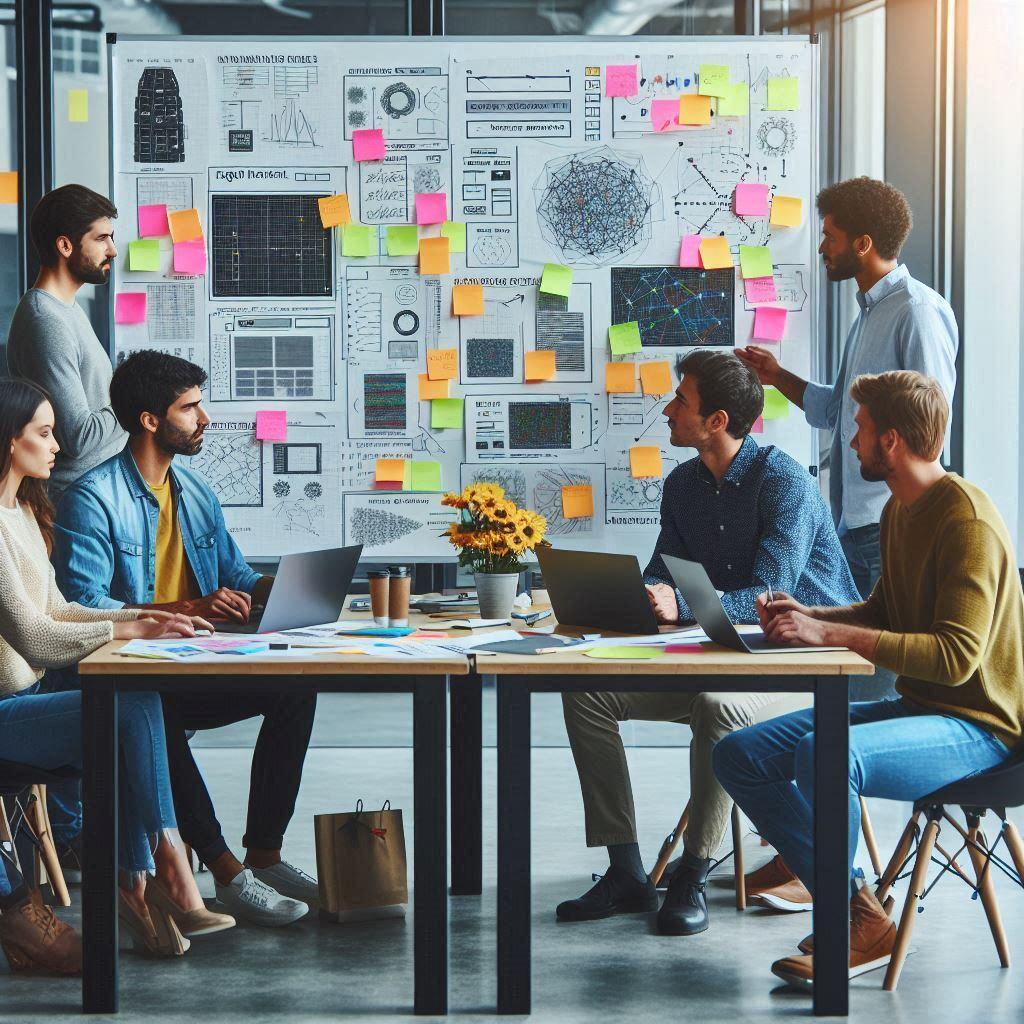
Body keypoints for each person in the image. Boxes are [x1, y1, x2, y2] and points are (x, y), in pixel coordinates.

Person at [713, 371, 1023, 989]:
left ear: (892, 441)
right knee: (739, 754)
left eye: (858, 429)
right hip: (922, 708)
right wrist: (807, 615)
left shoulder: (966, 522)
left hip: (982, 728)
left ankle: (852, 919)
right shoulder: (901, 512)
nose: (850, 442)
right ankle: (861, 908)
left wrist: (828, 636)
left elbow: (957, 656)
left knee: (824, 751)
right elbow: (883, 612)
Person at [556, 351, 859, 937]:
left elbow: (775, 594)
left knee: (716, 707)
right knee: (587, 692)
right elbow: (661, 570)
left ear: (717, 420)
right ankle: (625, 871)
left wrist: (683, 603)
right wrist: (642, 595)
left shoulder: (784, 482)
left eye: (682, 401)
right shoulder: (683, 484)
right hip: (723, 653)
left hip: (804, 664)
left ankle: (693, 872)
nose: (668, 409)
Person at [53, 350, 318, 927]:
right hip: (124, 677)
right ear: (150, 419)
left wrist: (288, 588)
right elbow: (82, 606)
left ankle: (265, 857)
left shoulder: (193, 493)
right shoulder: (93, 499)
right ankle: (227, 875)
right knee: (152, 711)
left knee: (297, 688)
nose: (206, 418)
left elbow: (236, 576)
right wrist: (184, 607)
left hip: (190, 664)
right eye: (190, 407)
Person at [0, 378, 234, 973]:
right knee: (126, 708)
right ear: (8, 442)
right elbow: (36, 637)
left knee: (135, 693)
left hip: (30, 696)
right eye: (44, 434)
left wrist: (144, 618)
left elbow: (62, 611)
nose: (58, 447)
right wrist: (127, 630)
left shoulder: (23, 511)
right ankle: (160, 869)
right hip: (8, 710)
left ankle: (147, 874)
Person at [737, 177, 957, 700]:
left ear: (863, 243)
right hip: (853, 527)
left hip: (891, 522)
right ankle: (838, 774)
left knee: (874, 688)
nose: (820, 249)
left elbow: (930, 421)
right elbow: (836, 412)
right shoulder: (868, 314)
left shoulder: (916, 312)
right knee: (847, 684)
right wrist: (776, 375)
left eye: (829, 237)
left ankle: (852, 771)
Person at [6, 184, 130, 882]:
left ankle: (89, 837)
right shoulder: (47, 319)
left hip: (87, 504)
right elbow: (78, 439)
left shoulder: (70, 314)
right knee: (79, 669)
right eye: (102, 237)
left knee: (93, 665)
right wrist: (133, 401)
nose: (112, 249)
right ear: (66, 244)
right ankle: (82, 837)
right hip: (75, 505)